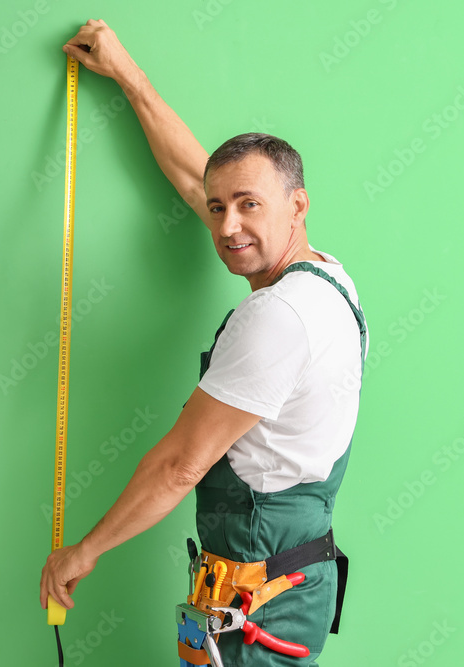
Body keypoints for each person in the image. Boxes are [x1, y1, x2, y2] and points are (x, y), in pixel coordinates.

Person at [40, 19, 369, 666]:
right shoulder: (328, 277)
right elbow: (197, 177)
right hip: (290, 579)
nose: (227, 225)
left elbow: (179, 466)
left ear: (297, 205)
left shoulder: (276, 318)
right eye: (219, 209)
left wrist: (85, 551)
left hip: (258, 604)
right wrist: (129, 77)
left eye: (248, 205)